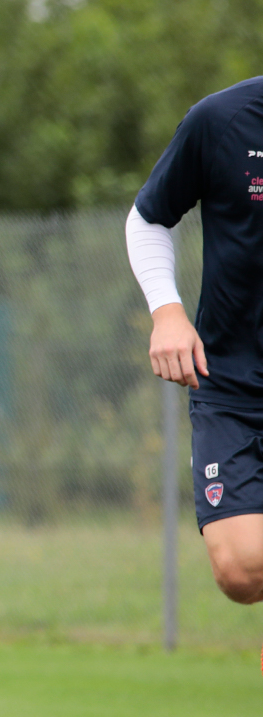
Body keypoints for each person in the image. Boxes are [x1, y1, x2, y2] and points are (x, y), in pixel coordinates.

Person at [128, 75, 263, 605]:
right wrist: (167, 312)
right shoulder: (222, 119)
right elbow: (147, 219)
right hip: (233, 386)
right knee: (241, 570)